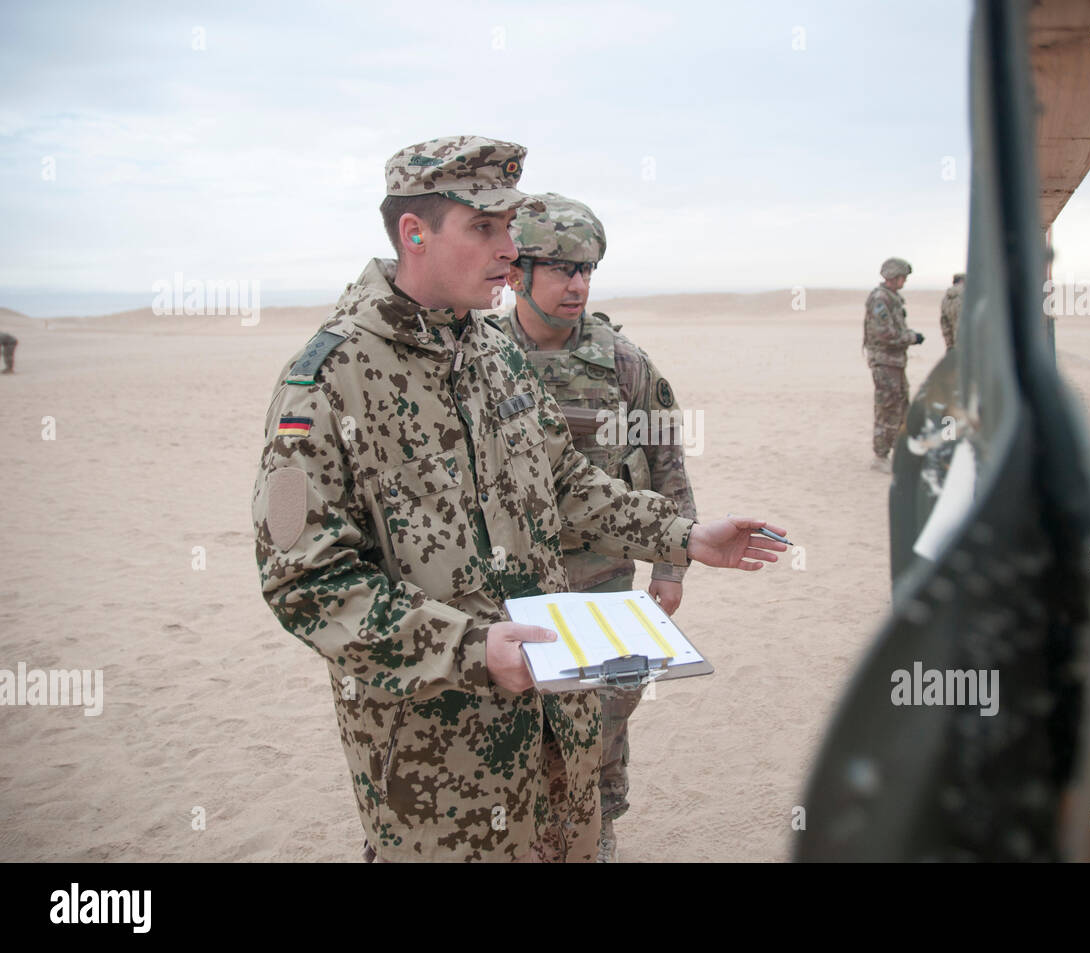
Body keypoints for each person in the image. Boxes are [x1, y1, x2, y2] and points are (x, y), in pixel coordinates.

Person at [251, 135, 786, 863]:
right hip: (441, 774)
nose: (509, 249)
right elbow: (305, 579)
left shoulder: (492, 352)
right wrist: (471, 649)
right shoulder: (328, 379)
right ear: (415, 233)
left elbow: (565, 480)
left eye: (510, 228)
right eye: (484, 228)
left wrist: (681, 535)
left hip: (557, 738)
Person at [493, 193, 696, 863]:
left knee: (603, 725)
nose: (577, 284)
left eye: (587, 270)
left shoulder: (624, 363)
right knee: (517, 731)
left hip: (603, 583)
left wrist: (669, 568)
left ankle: (597, 838)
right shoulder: (481, 357)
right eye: (560, 268)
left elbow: (667, 459)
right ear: (517, 271)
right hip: (511, 585)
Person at [863, 257, 923, 472]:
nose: (904, 282)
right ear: (893, 276)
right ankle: (880, 456)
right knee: (887, 407)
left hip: (895, 362)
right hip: (885, 361)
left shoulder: (892, 298)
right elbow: (885, 333)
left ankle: (901, 452)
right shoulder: (881, 299)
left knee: (900, 405)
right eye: (902, 277)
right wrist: (911, 337)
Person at [940, 272, 965, 350]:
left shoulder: (946, 299)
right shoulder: (967, 295)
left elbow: (944, 324)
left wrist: (949, 345)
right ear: (962, 281)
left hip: (955, 344)